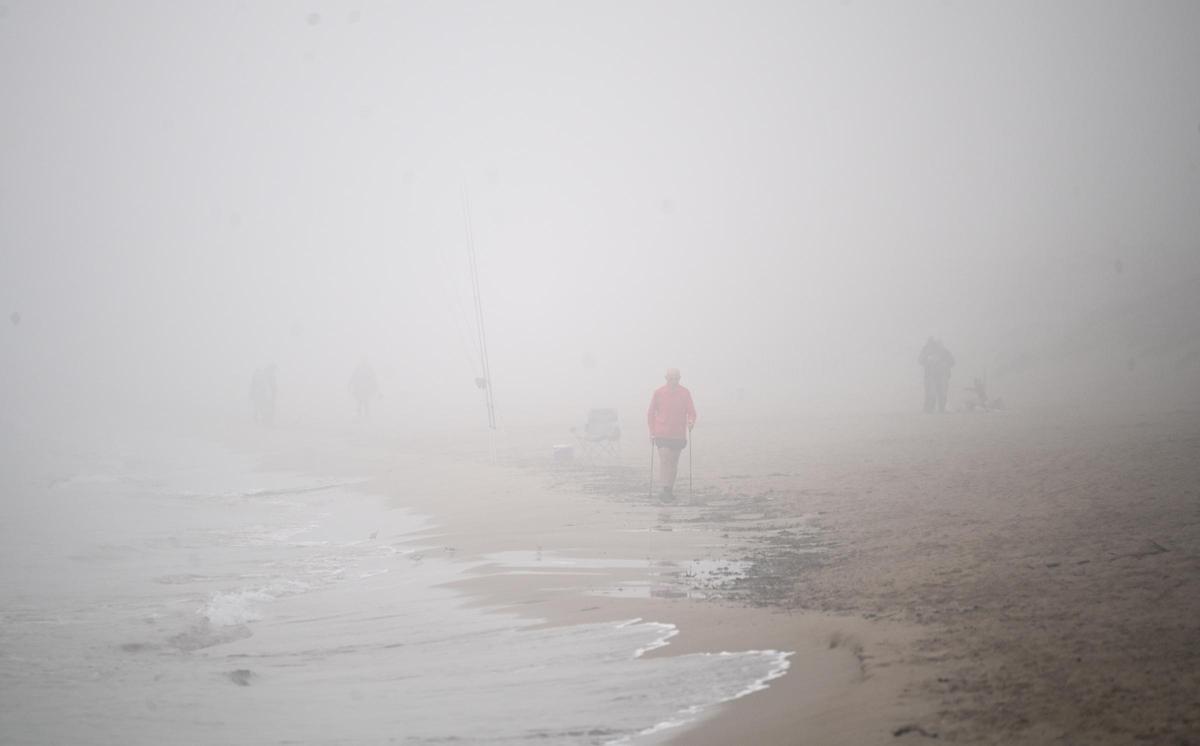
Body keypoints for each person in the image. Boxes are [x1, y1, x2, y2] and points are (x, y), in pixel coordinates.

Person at [646, 368, 697, 502]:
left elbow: (691, 412)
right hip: (661, 432)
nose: (674, 380)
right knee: (665, 458)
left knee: (673, 462)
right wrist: (651, 432)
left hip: (678, 433)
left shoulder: (685, 393)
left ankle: (669, 489)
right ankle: (664, 488)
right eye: (671, 378)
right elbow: (651, 414)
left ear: (680, 378)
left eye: (676, 378)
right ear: (666, 378)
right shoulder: (658, 393)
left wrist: (691, 422)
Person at [918, 338, 955, 413]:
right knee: (931, 393)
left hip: (942, 376)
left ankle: (941, 409)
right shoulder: (927, 351)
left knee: (942, 394)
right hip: (931, 376)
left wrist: (944, 363)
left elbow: (952, 361)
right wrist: (928, 360)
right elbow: (920, 360)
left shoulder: (945, 352)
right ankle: (929, 410)